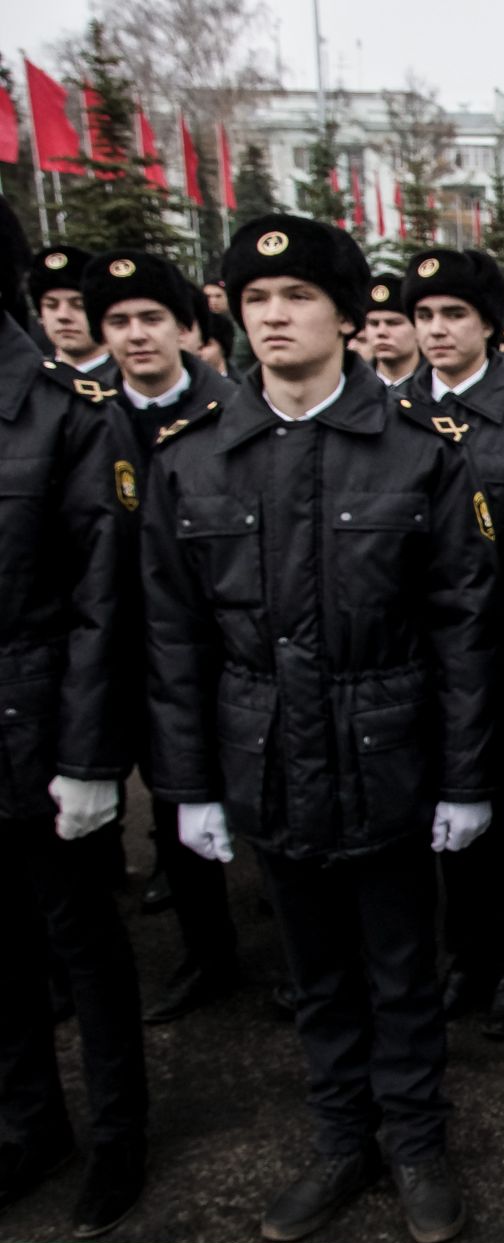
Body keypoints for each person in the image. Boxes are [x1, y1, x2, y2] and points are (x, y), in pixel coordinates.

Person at [143, 214, 499, 1243]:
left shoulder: (420, 456)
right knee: (313, 973)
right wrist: (190, 785)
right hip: (263, 747)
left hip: (386, 745)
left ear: (346, 315)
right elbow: (173, 635)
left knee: (400, 965)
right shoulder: (194, 458)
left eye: (296, 295)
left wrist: (468, 780)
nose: (273, 315)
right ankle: (343, 1140)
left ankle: (418, 1143)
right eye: (254, 299)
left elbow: (465, 630)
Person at [0, 196, 148, 1240]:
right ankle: (27, 1122)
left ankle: (118, 1136)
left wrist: (93, 756)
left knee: (83, 947)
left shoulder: (63, 410)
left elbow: (106, 600)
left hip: (45, 725)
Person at [396, 249, 504, 1042]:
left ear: (490, 326)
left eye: (453, 314)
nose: (436, 330)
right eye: (424, 315)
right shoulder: (392, 413)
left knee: (503, 803)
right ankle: (464, 954)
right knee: (441, 808)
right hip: (420, 651)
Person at [80, 249, 243, 1026]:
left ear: (186, 326)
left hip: (222, 641)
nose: (136, 335)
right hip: (126, 643)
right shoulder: (85, 414)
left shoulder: (232, 411)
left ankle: (273, 931)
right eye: (117, 322)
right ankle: (206, 949)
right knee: (173, 798)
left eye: (151, 318)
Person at [29, 246, 112, 375]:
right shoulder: (26, 383)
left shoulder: (132, 384)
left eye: (79, 305)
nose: (63, 316)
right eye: (51, 305)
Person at [362, 274, 420, 387]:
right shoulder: (351, 385)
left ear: (417, 327)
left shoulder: (438, 386)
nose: (381, 332)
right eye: (374, 323)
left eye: (393, 323)